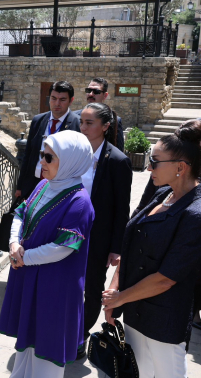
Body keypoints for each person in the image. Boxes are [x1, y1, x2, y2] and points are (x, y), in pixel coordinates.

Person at [102, 124, 201, 378]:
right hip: (133, 311)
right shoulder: (163, 193)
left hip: (164, 320)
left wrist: (120, 297)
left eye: (155, 161)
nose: (149, 167)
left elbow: (166, 278)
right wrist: (114, 292)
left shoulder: (199, 213)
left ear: (180, 167)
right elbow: (129, 246)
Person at [0, 130, 95, 377]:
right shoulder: (43, 185)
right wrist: (12, 243)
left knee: (47, 356)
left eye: (49, 158)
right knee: (26, 346)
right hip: (31, 277)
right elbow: (20, 213)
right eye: (43, 155)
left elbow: (63, 247)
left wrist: (23, 258)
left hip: (55, 287)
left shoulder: (80, 202)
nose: (42, 161)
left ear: (71, 161)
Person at [77, 103, 132, 358]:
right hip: (68, 232)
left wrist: (116, 247)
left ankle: (80, 335)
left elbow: (122, 208)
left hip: (97, 239)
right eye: (82, 122)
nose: (83, 127)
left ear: (105, 126)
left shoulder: (118, 161)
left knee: (91, 287)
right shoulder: (75, 152)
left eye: (89, 123)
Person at [16, 81, 81, 199]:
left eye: (62, 99)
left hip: (60, 188)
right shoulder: (38, 120)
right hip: (33, 185)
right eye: (53, 98)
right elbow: (28, 154)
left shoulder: (77, 125)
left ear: (71, 101)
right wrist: (20, 186)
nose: (57, 103)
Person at [73, 78, 125, 151]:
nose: (91, 94)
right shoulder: (74, 116)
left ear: (105, 95)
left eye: (96, 91)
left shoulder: (113, 119)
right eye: (88, 90)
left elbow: (118, 149)